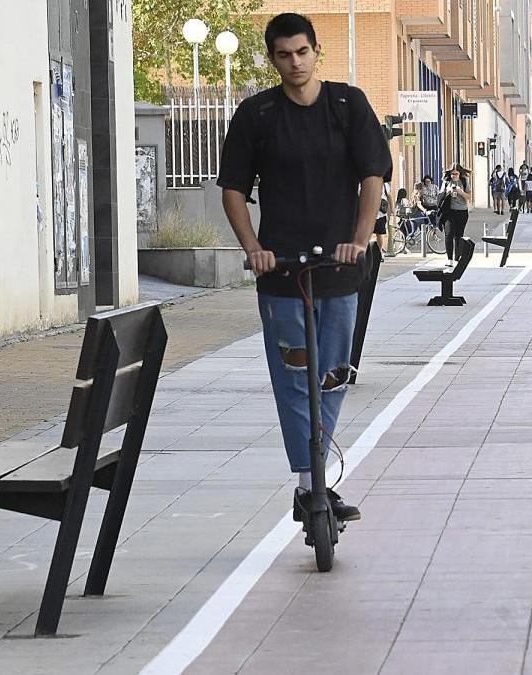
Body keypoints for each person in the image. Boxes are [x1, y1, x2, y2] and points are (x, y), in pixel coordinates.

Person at [218, 12, 393, 525]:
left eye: (302, 52)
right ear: (272, 59)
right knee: (294, 374)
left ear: (318, 52)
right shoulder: (257, 115)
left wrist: (359, 240)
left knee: (334, 374)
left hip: (339, 264)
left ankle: (319, 474)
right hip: (282, 268)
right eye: (283, 55)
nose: (294, 63)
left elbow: (372, 176)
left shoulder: (347, 105)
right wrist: (253, 248)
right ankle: (309, 482)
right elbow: (232, 189)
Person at [441, 166, 471, 261]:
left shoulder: (464, 182)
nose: (454, 176)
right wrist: (447, 192)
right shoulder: (446, 182)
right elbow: (440, 195)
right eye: (452, 174)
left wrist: (461, 192)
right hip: (449, 212)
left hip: (462, 211)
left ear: (460, 174)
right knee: (448, 234)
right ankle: (449, 258)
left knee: (459, 235)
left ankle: (457, 257)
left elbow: (469, 196)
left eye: (456, 174)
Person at [374, 182, 391, 251]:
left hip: (380, 214)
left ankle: (379, 253)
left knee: (379, 234)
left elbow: (390, 197)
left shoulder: (384, 184)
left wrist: (393, 211)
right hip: (368, 213)